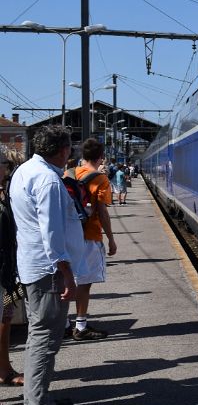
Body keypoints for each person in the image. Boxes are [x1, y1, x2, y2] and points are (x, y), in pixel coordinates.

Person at [10, 126, 85, 405]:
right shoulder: (48, 180)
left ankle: (37, 397)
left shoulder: (25, 171)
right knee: (45, 338)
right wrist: (66, 274)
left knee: (37, 335)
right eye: (69, 148)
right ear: (64, 150)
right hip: (49, 271)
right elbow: (51, 233)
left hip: (32, 266)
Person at [71, 138, 116, 340]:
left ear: (83, 155)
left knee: (67, 280)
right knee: (84, 282)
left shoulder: (69, 174)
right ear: (100, 157)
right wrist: (111, 239)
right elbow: (103, 212)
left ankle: (64, 323)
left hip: (69, 236)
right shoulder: (100, 179)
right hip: (89, 236)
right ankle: (81, 326)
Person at [0, 156, 25, 388]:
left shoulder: (3, 193)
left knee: (6, 318)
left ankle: (4, 369)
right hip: (3, 271)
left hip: (8, 272)